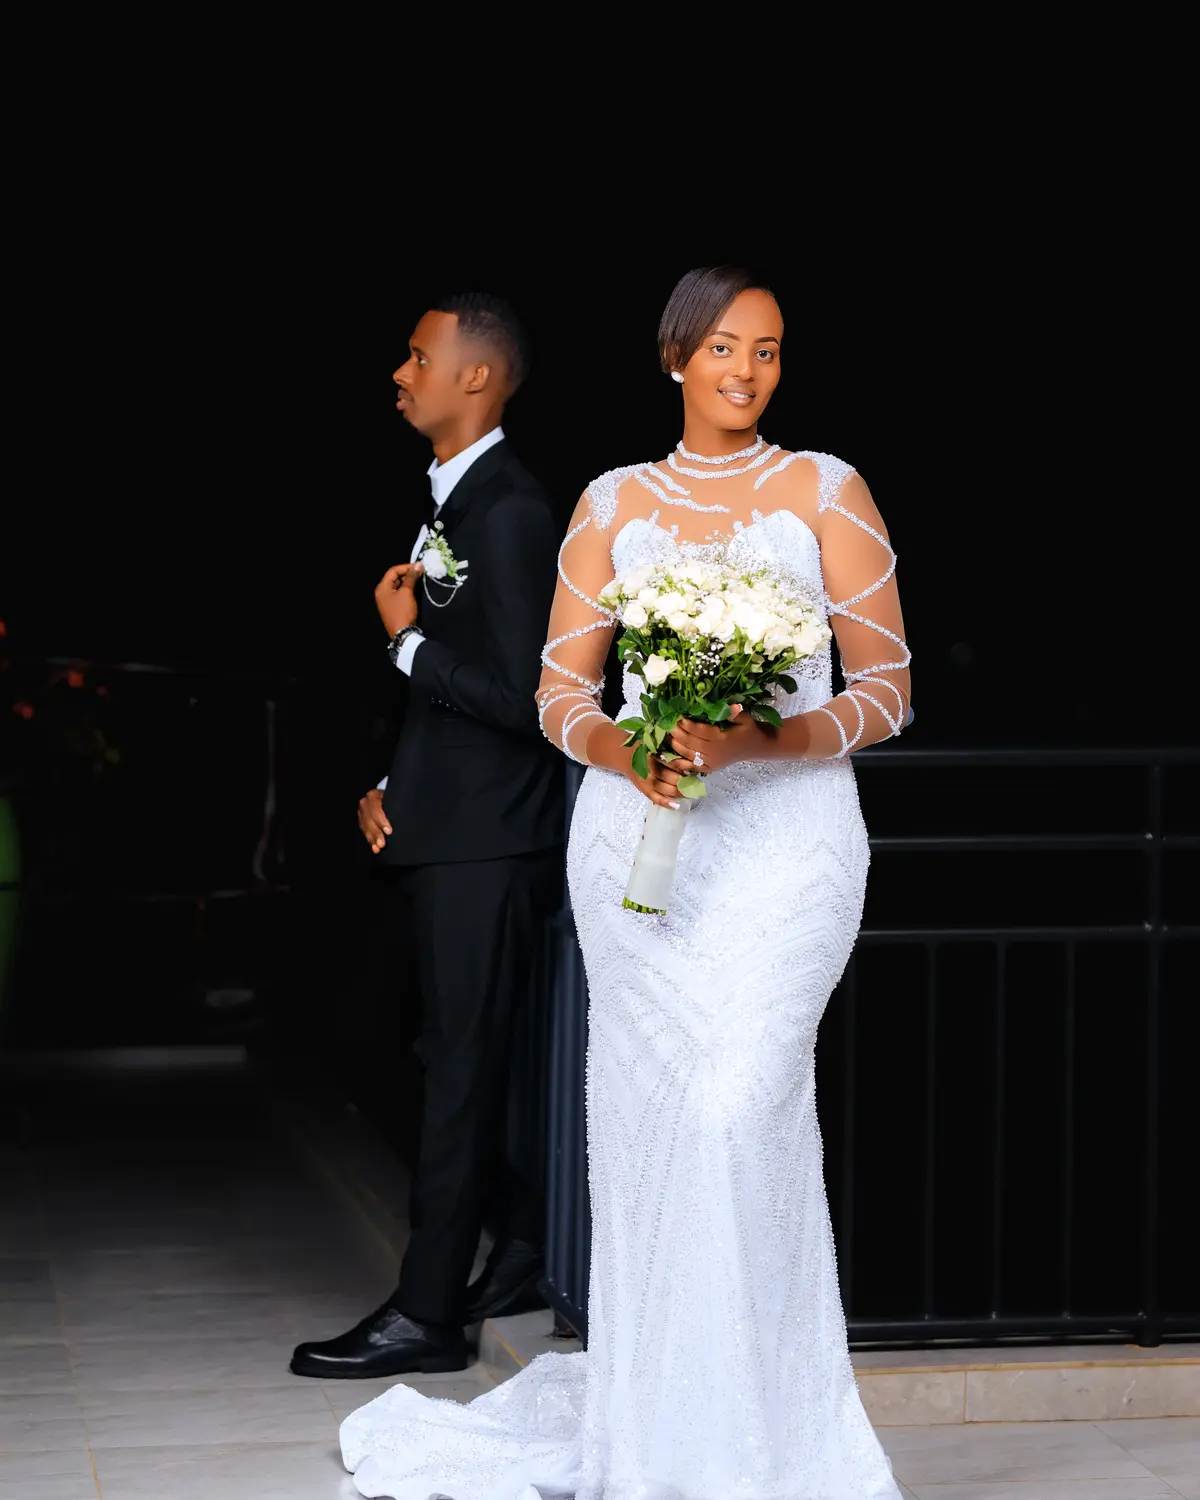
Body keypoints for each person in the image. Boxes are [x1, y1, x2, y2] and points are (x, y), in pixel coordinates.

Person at [338, 267, 912, 1496]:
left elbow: (886, 690)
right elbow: (556, 696)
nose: (745, 372)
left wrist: (765, 738)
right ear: (673, 357)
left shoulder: (826, 490)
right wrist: (627, 744)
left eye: (766, 351)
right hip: (639, 847)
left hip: (788, 843)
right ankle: (667, 1431)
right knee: (659, 1136)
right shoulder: (612, 500)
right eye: (722, 348)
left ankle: (773, 1430)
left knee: (738, 1108)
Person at [290, 292, 564, 1381]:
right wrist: (389, 780)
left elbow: (525, 694)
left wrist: (405, 645)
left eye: (417, 356)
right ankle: (514, 1250)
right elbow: (456, 705)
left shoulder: (508, 510)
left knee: (458, 1070)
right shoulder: (456, 503)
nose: (399, 374)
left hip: (491, 844)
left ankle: (429, 1311)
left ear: (478, 380)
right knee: (442, 1059)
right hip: (447, 828)